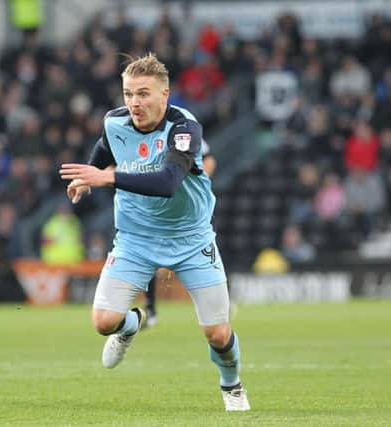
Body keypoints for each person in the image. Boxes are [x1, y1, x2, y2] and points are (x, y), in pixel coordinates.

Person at [60, 53, 250, 411]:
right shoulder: (114, 122)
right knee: (104, 322)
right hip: (135, 239)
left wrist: (107, 177)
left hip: (191, 239)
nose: (134, 102)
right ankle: (131, 325)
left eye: (144, 94)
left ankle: (232, 385)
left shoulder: (184, 128)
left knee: (218, 334)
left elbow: (168, 182)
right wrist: (89, 176)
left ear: (165, 94)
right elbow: (106, 147)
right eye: (129, 94)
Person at [143, 138, 216, 328]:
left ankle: (217, 302)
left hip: (189, 211)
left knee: (203, 253)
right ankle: (150, 309)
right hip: (160, 209)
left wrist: (197, 186)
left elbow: (209, 160)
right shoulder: (143, 137)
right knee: (148, 254)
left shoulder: (184, 132)